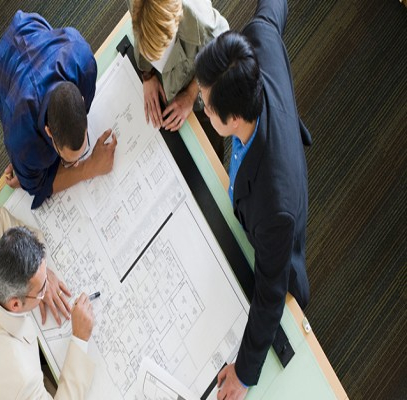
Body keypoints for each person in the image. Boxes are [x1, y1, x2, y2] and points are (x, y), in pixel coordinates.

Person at [194, 0, 312, 399]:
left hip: (278, 240)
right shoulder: (259, 37)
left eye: (206, 104)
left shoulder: (273, 207)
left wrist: (244, 374)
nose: (201, 105)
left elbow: (270, 294)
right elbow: (272, 9)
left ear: (232, 119)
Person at [0, 204, 95, 399]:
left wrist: (40, 274)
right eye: (42, 288)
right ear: (16, 304)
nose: (49, 286)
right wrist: (80, 338)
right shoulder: (21, 378)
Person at [0, 11, 117, 210]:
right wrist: (89, 167)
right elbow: (37, 186)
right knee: (28, 164)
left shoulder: (84, 62)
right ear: (48, 131)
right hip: (5, 68)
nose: (75, 164)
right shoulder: (21, 137)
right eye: (67, 162)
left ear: (82, 99)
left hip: (35, 31)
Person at [127, 0, 229, 160]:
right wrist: (148, 75)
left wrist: (191, 94)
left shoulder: (202, 22)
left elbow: (222, 51)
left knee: (208, 150)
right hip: (164, 80)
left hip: (198, 89)